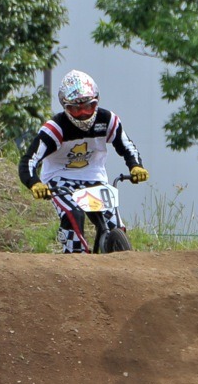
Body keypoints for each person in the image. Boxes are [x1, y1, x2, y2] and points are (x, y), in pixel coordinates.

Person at [18, 70, 148, 253]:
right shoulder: (55, 129)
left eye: (89, 107)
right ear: (65, 106)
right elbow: (28, 161)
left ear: (97, 102)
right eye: (76, 109)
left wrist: (135, 166)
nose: (83, 114)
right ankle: (75, 262)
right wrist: (35, 183)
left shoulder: (108, 120)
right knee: (74, 216)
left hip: (94, 177)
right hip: (59, 178)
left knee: (114, 224)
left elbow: (127, 146)